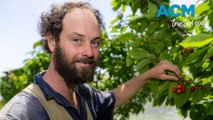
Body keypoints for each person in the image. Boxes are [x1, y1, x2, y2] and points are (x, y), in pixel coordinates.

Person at [0, 2, 182, 120]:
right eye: (77, 40)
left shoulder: (85, 96)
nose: (89, 52)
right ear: (52, 41)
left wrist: (148, 75)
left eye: (95, 42)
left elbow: (116, 96)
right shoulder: (23, 114)